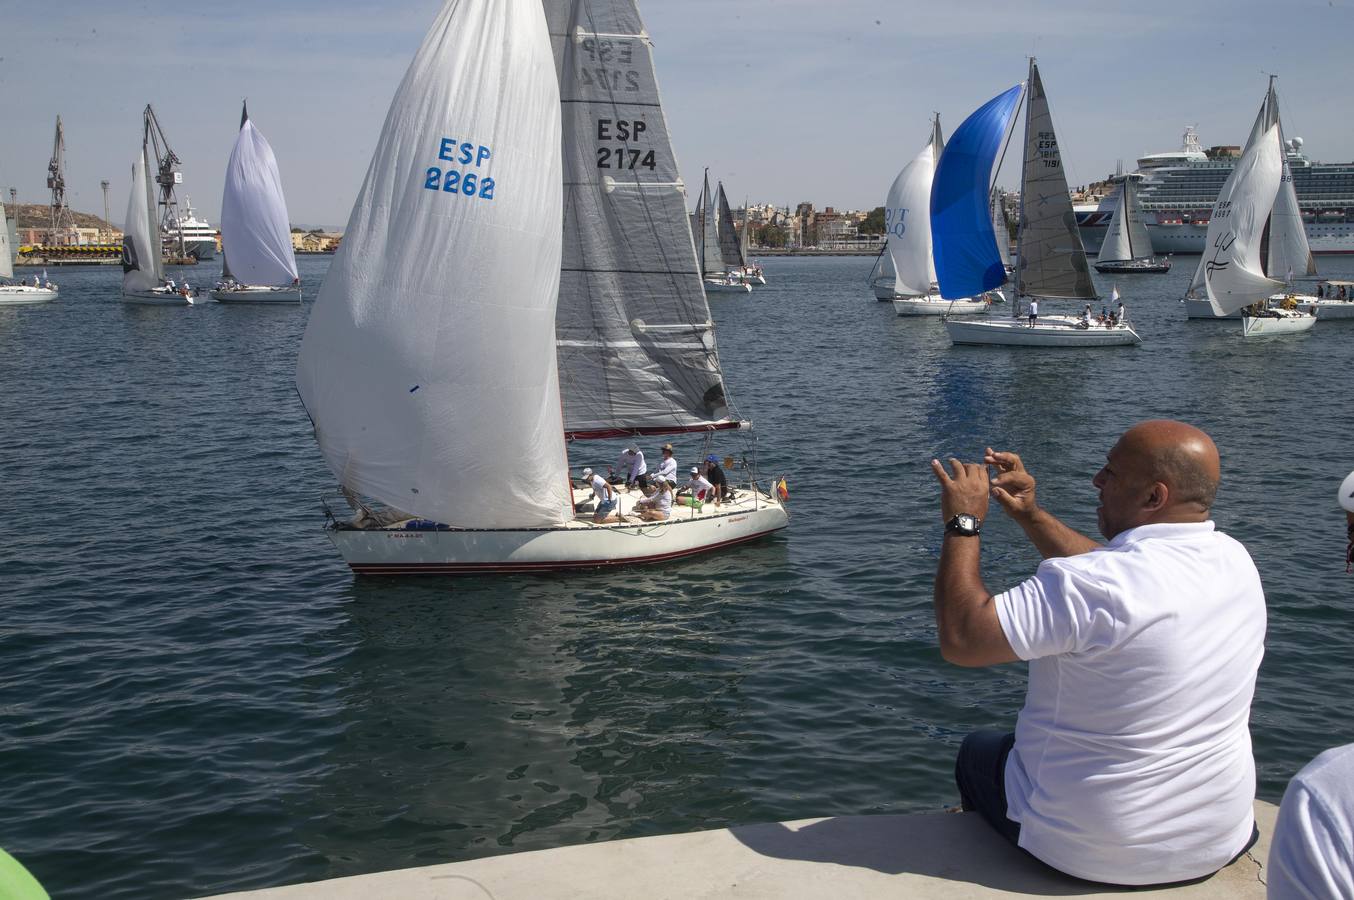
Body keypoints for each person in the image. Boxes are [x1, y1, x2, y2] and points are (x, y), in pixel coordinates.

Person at [929, 420, 1265, 886]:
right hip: (1218, 837)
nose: (1097, 481)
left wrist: (963, 521)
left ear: (1154, 497)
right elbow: (1112, 580)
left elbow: (962, 640)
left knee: (977, 751)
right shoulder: (1235, 560)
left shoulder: (1095, 585)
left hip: (1094, 850)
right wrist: (1030, 515)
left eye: (1111, 472)